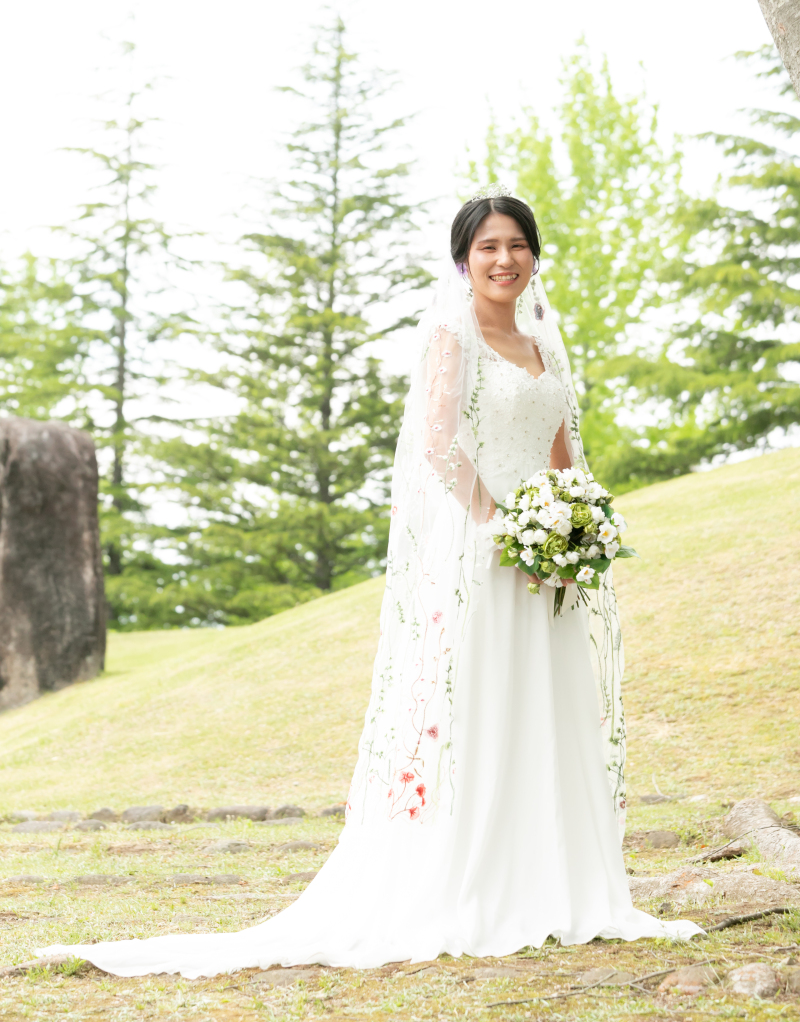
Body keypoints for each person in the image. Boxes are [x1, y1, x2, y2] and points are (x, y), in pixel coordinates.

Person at [39, 187, 702, 978]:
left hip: (549, 558)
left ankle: (559, 881)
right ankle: (480, 881)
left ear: (534, 256)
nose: (504, 259)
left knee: (549, 703)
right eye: (488, 247)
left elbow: (561, 448)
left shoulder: (543, 343)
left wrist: (573, 522)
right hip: (486, 551)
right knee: (486, 703)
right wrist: (502, 527)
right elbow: (438, 444)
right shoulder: (451, 335)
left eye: (517, 245)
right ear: (464, 260)